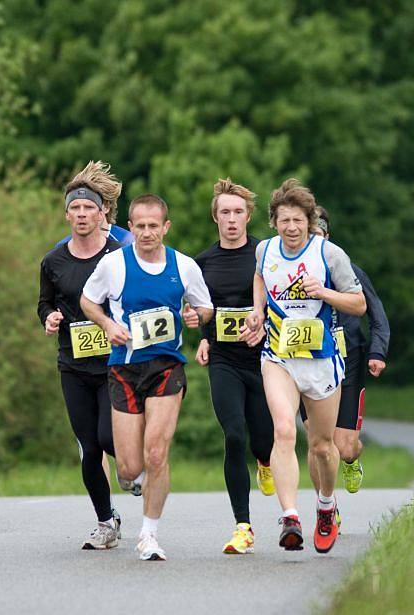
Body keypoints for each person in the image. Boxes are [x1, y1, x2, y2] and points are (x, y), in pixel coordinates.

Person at [81, 193, 214, 561]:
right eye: (139, 225)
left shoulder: (184, 266)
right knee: (129, 468)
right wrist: (107, 323)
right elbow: (88, 300)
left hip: (166, 366)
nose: (146, 232)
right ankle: (136, 483)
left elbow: (205, 307)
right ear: (132, 226)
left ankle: (149, 535)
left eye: (153, 226)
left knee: (156, 453)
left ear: (165, 227)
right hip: (124, 368)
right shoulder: (113, 264)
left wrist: (196, 318)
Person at [240, 179, 366, 554]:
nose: (291, 228)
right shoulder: (264, 250)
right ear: (274, 222)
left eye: (297, 220)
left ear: (309, 222)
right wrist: (258, 312)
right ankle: (290, 516)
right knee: (283, 431)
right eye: (284, 221)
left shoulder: (329, 254)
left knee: (323, 447)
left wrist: (322, 291)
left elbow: (359, 304)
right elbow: (260, 276)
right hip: (277, 356)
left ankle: (326, 505)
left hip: (321, 361)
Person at [38, 161, 124, 550]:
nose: (82, 214)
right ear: (67, 213)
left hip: (111, 363)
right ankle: (106, 521)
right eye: (75, 208)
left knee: (109, 439)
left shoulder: (118, 253)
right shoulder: (53, 261)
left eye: (89, 207)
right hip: (72, 364)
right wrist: (50, 317)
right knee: (89, 448)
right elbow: (44, 303)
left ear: (102, 211)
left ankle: (130, 465)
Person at [194, 179, 275, 555]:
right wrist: (204, 335)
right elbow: (200, 308)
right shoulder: (202, 263)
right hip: (224, 360)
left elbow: (284, 302)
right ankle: (243, 525)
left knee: (264, 442)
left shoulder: (265, 254)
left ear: (248, 216)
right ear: (215, 217)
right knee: (234, 434)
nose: (231, 219)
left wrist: (265, 328)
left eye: (238, 212)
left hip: (263, 359)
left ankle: (266, 461)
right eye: (224, 212)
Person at [300, 206, 390, 494]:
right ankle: (325, 505)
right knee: (317, 443)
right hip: (309, 361)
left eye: (318, 236)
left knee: (344, 447)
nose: (314, 242)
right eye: (308, 236)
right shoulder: (294, 272)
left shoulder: (348, 269)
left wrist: (377, 353)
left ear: (328, 236)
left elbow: (377, 316)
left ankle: (352, 461)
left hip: (348, 362)